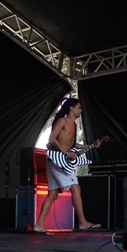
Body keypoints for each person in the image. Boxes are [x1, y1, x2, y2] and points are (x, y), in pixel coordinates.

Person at [34, 98, 103, 234]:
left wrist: (92, 145)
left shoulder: (74, 125)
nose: (81, 110)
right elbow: (51, 139)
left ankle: (39, 225)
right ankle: (82, 223)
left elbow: (73, 145)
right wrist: (65, 153)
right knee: (75, 187)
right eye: (79, 107)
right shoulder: (62, 121)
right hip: (58, 161)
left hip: (56, 162)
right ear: (71, 108)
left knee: (52, 194)